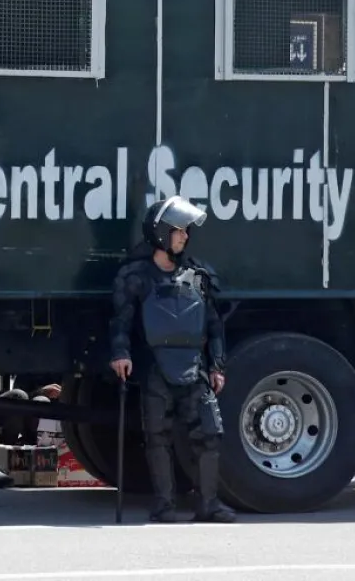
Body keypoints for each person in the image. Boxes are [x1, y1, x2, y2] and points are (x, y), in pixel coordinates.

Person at [108, 195, 235, 524]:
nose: (184, 236)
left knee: (210, 434)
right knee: (158, 436)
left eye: (186, 231)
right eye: (178, 230)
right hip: (156, 368)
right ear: (161, 233)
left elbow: (213, 323)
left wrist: (217, 366)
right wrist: (120, 354)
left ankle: (208, 504)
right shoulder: (136, 276)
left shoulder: (196, 275)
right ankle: (164, 505)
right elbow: (120, 322)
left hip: (195, 367)